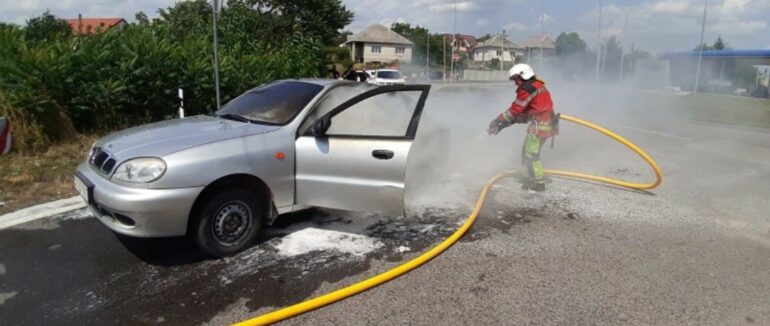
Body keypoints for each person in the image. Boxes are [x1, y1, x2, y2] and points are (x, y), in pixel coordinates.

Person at [487, 63, 557, 192]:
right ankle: (535, 178)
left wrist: (498, 120)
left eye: (516, 79)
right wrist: (504, 125)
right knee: (529, 151)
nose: (515, 83)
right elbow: (526, 113)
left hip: (539, 126)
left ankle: (538, 183)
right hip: (547, 124)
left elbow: (515, 110)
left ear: (523, 76)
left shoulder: (527, 88)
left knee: (531, 155)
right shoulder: (537, 85)